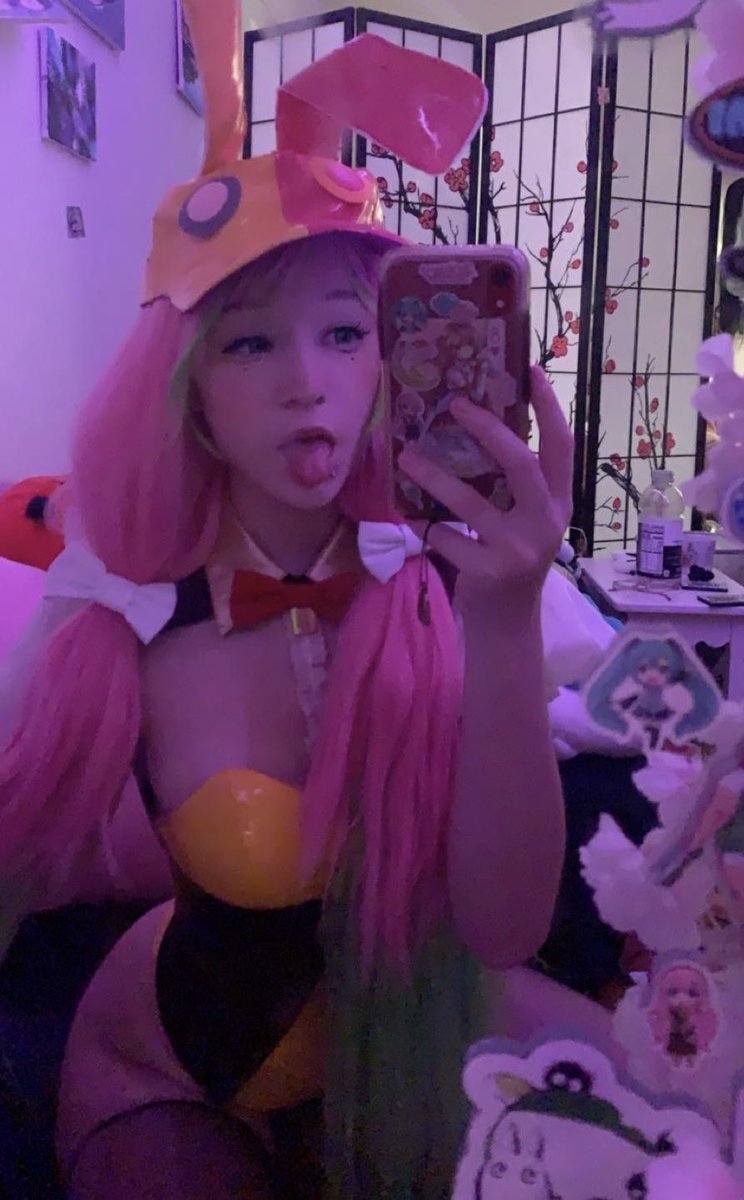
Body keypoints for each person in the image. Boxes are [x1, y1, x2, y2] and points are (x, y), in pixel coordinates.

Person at [0, 5, 589, 1197]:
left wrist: (508, 614)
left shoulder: (446, 579)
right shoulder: (126, 604)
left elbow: (504, 926)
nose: (309, 384)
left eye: (343, 331)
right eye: (250, 344)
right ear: (189, 388)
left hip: (401, 1054)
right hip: (168, 1063)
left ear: (389, 357)